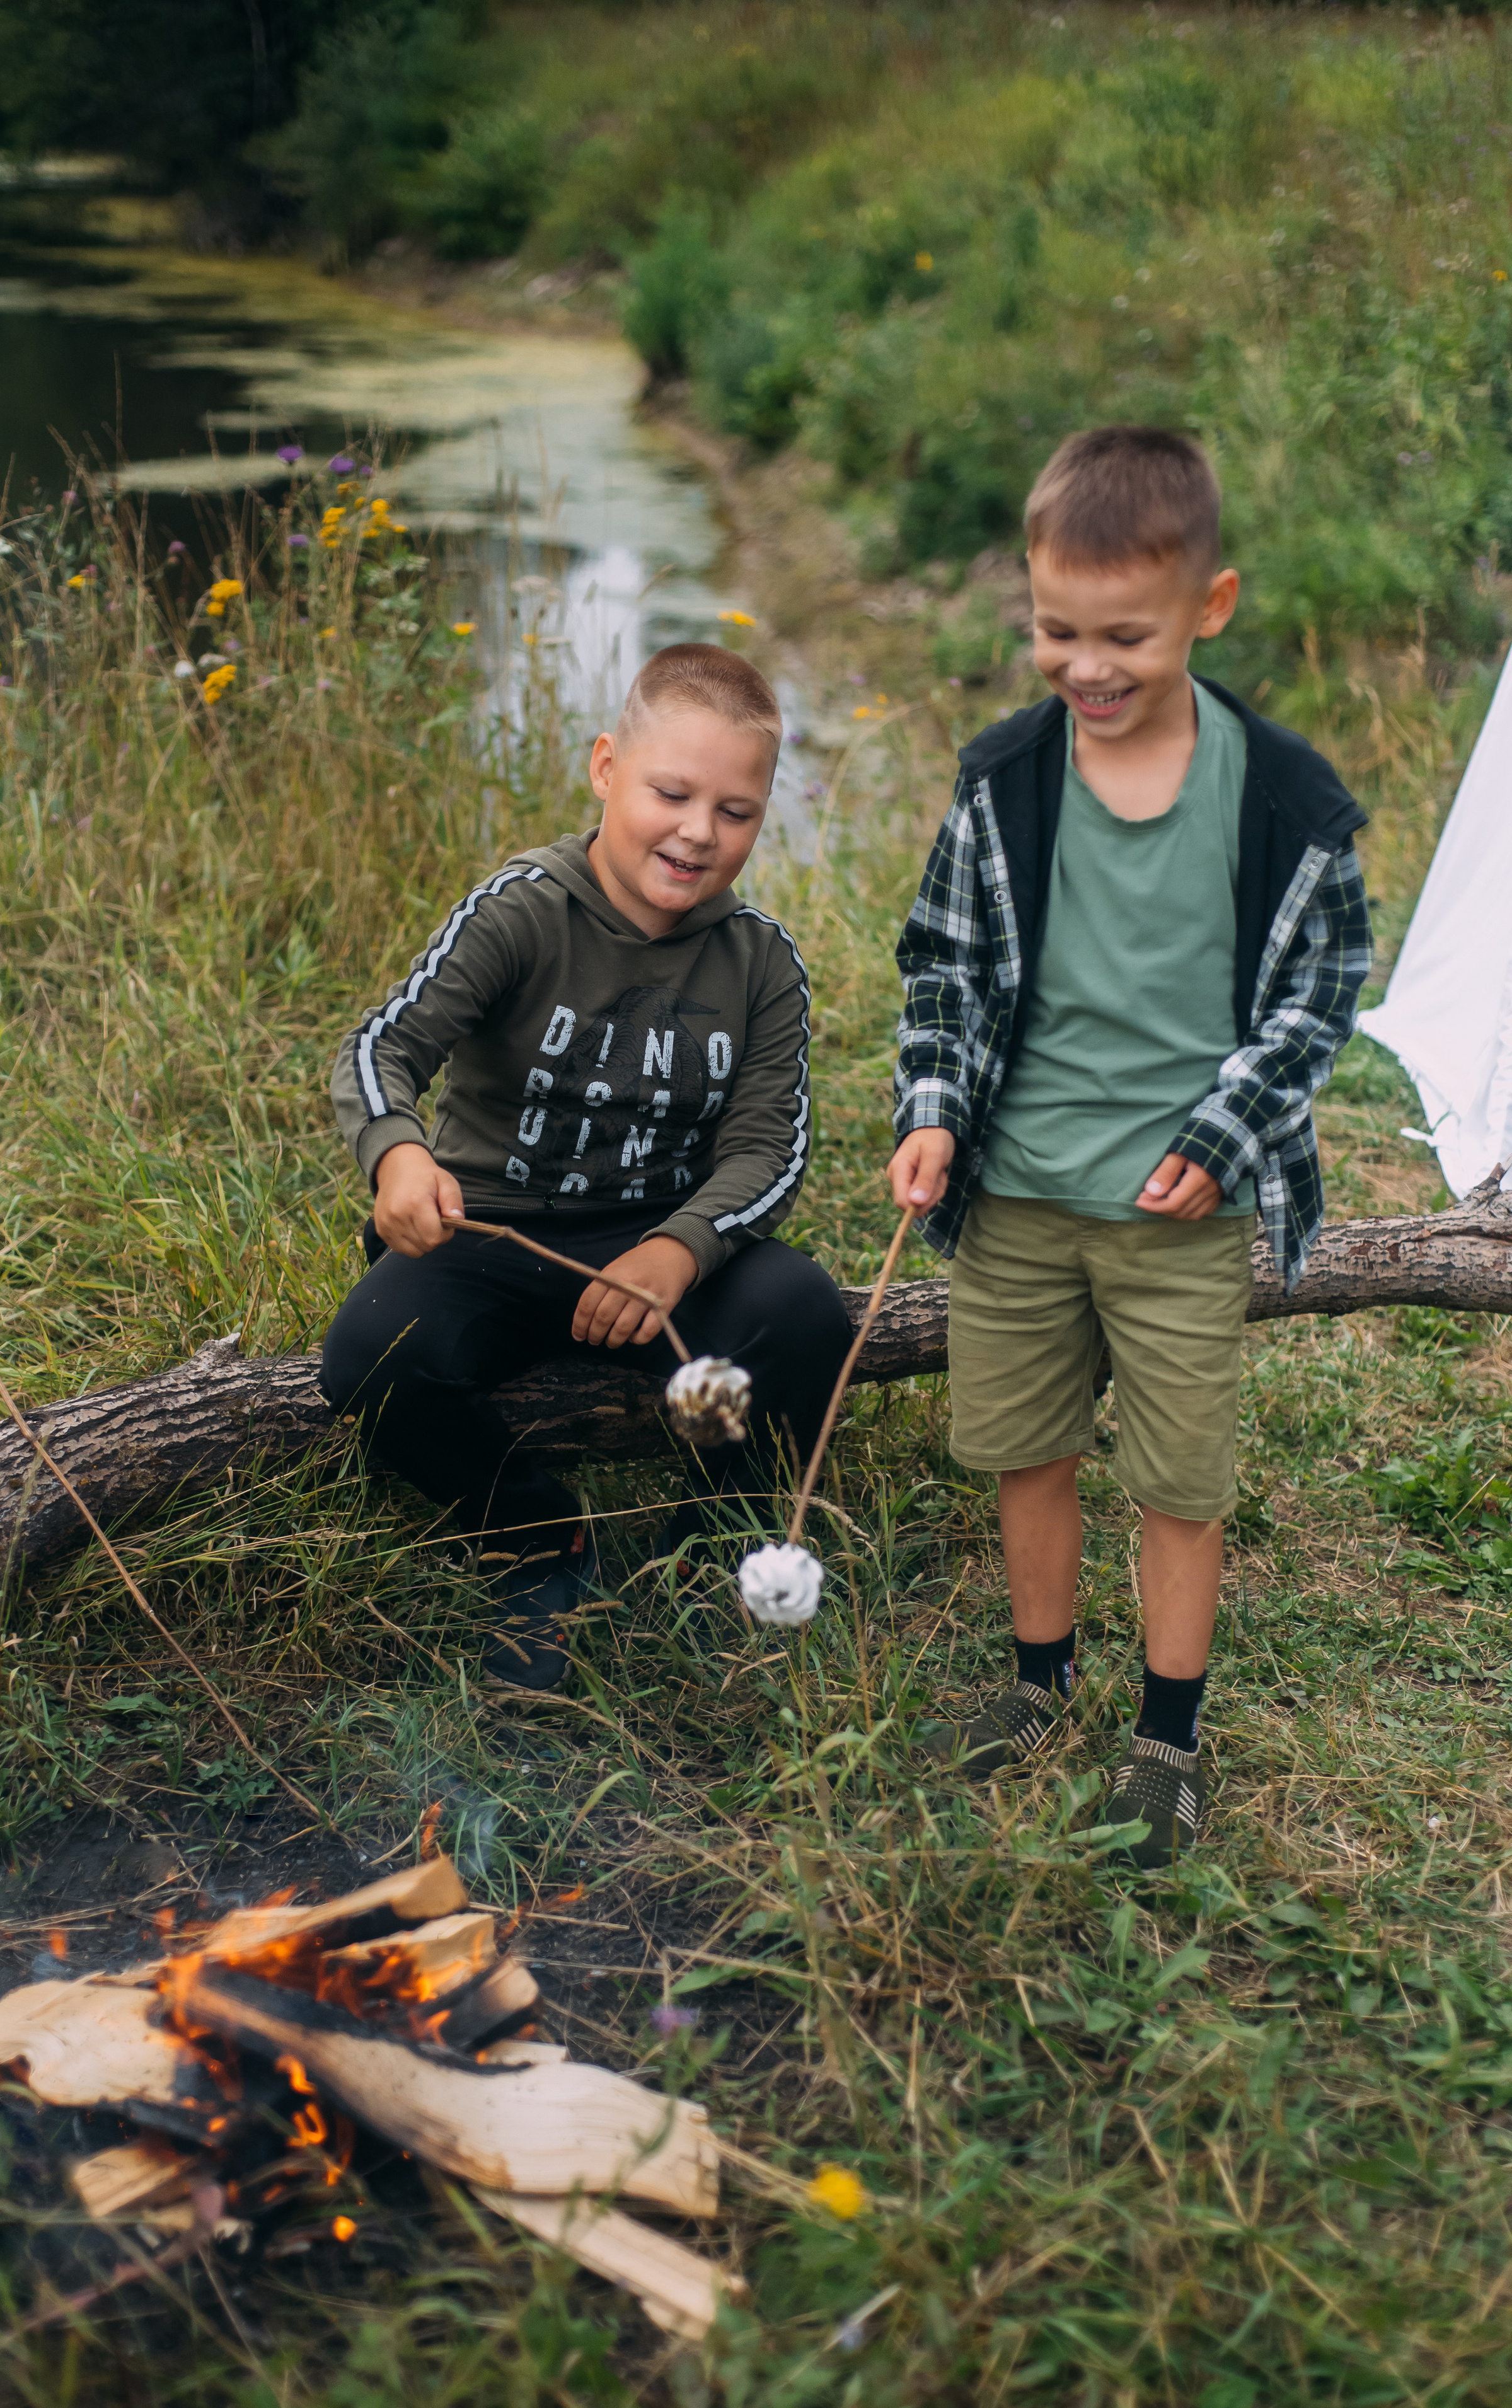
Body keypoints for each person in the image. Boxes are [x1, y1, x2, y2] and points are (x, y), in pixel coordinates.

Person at [889, 425, 1372, 1864]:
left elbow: (1312, 1002)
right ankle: (1038, 1683)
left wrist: (1223, 1141)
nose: (1082, 667)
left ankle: (1165, 1735)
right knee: (1024, 1449)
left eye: (1122, 637)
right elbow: (943, 969)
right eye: (1052, 631)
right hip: (1019, 1191)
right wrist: (929, 1111)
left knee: (1176, 1477)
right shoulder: (1005, 780)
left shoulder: (1282, 803)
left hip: (1179, 1209)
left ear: (1204, 609)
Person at [323, 642, 853, 1693]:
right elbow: (382, 1047)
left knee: (804, 1314)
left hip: (662, 1257)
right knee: (370, 1351)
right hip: (497, 1241)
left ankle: (712, 1533)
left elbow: (768, 1145)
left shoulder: (761, 963)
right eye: (671, 792)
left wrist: (678, 1249)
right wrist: (400, 1155)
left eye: (736, 810)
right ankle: (535, 1534)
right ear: (606, 765)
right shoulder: (523, 909)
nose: (700, 832)